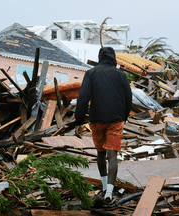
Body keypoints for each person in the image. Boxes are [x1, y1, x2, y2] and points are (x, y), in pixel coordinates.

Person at [74, 47, 132, 204]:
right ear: (113, 57)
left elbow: (83, 98)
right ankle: (109, 193)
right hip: (116, 120)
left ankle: (105, 187)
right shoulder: (121, 75)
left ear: (100, 57)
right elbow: (128, 98)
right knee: (112, 155)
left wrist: (78, 119)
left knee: (100, 153)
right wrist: (124, 117)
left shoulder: (91, 73)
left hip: (97, 120)